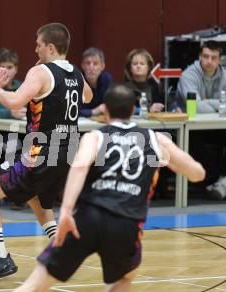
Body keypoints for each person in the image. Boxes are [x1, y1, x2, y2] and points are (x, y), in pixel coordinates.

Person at [15, 84, 205, 292]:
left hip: (87, 218)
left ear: (105, 109)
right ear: (134, 110)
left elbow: (78, 166)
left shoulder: (95, 136)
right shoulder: (156, 139)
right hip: (126, 222)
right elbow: (198, 174)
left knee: (33, 286)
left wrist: (66, 211)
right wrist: (172, 161)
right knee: (126, 276)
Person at [0, 22, 93, 283]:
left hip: (41, 151)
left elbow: (15, 101)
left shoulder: (41, 73)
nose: (35, 48)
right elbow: (88, 97)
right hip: (67, 151)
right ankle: (61, 248)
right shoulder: (76, 72)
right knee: (38, 200)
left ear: (50, 46)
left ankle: (0, 257)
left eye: (38, 43)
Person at [176, 41, 226, 199]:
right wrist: (219, 105)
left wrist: (207, 101)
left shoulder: (225, 74)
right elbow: (196, 107)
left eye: (213, 57)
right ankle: (210, 181)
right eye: (205, 56)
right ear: (199, 57)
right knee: (195, 143)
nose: (209, 61)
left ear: (220, 59)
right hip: (191, 127)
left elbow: (202, 104)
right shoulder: (189, 75)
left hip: (217, 125)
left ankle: (222, 180)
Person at [124, 48, 165, 114]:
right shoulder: (124, 89)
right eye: (135, 64)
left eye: (142, 64)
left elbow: (166, 104)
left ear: (149, 67)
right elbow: (125, 108)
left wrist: (174, 109)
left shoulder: (156, 86)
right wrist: (148, 110)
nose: (138, 66)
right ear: (130, 68)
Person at [80, 47, 113, 117]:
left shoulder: (107, 80)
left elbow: (111, 106)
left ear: (102, 66)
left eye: (95, 64)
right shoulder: (76, 81)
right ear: (82, 66)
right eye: (88, 63)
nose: (91, 67)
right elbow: (71, 110)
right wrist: (93, 111)